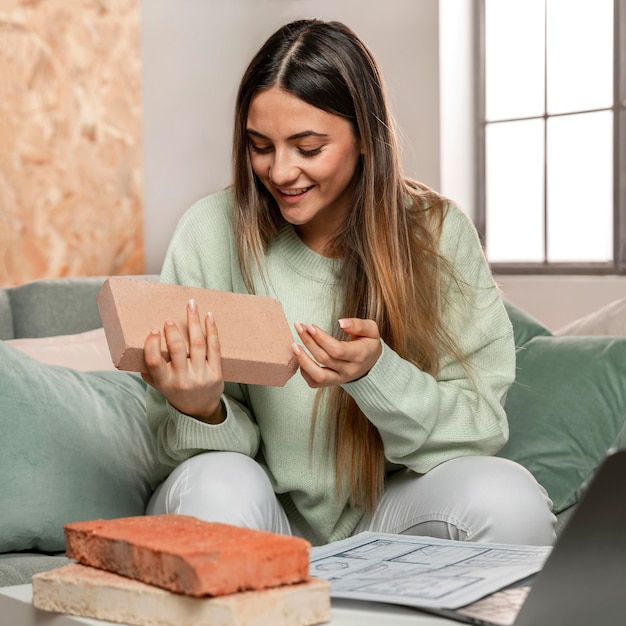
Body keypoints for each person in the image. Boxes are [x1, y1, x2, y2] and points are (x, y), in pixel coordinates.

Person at [143, 18, 556, 547]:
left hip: (383, 517)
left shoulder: (436, 231)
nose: (281, 172)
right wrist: (200, 408)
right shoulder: (209, 232)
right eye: (260, 146)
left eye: (308, 148)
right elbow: (188, 457)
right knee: (219, 485)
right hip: (255, 512)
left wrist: (378, 376)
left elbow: (480, 426)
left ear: (365, 137)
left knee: (508, 499)